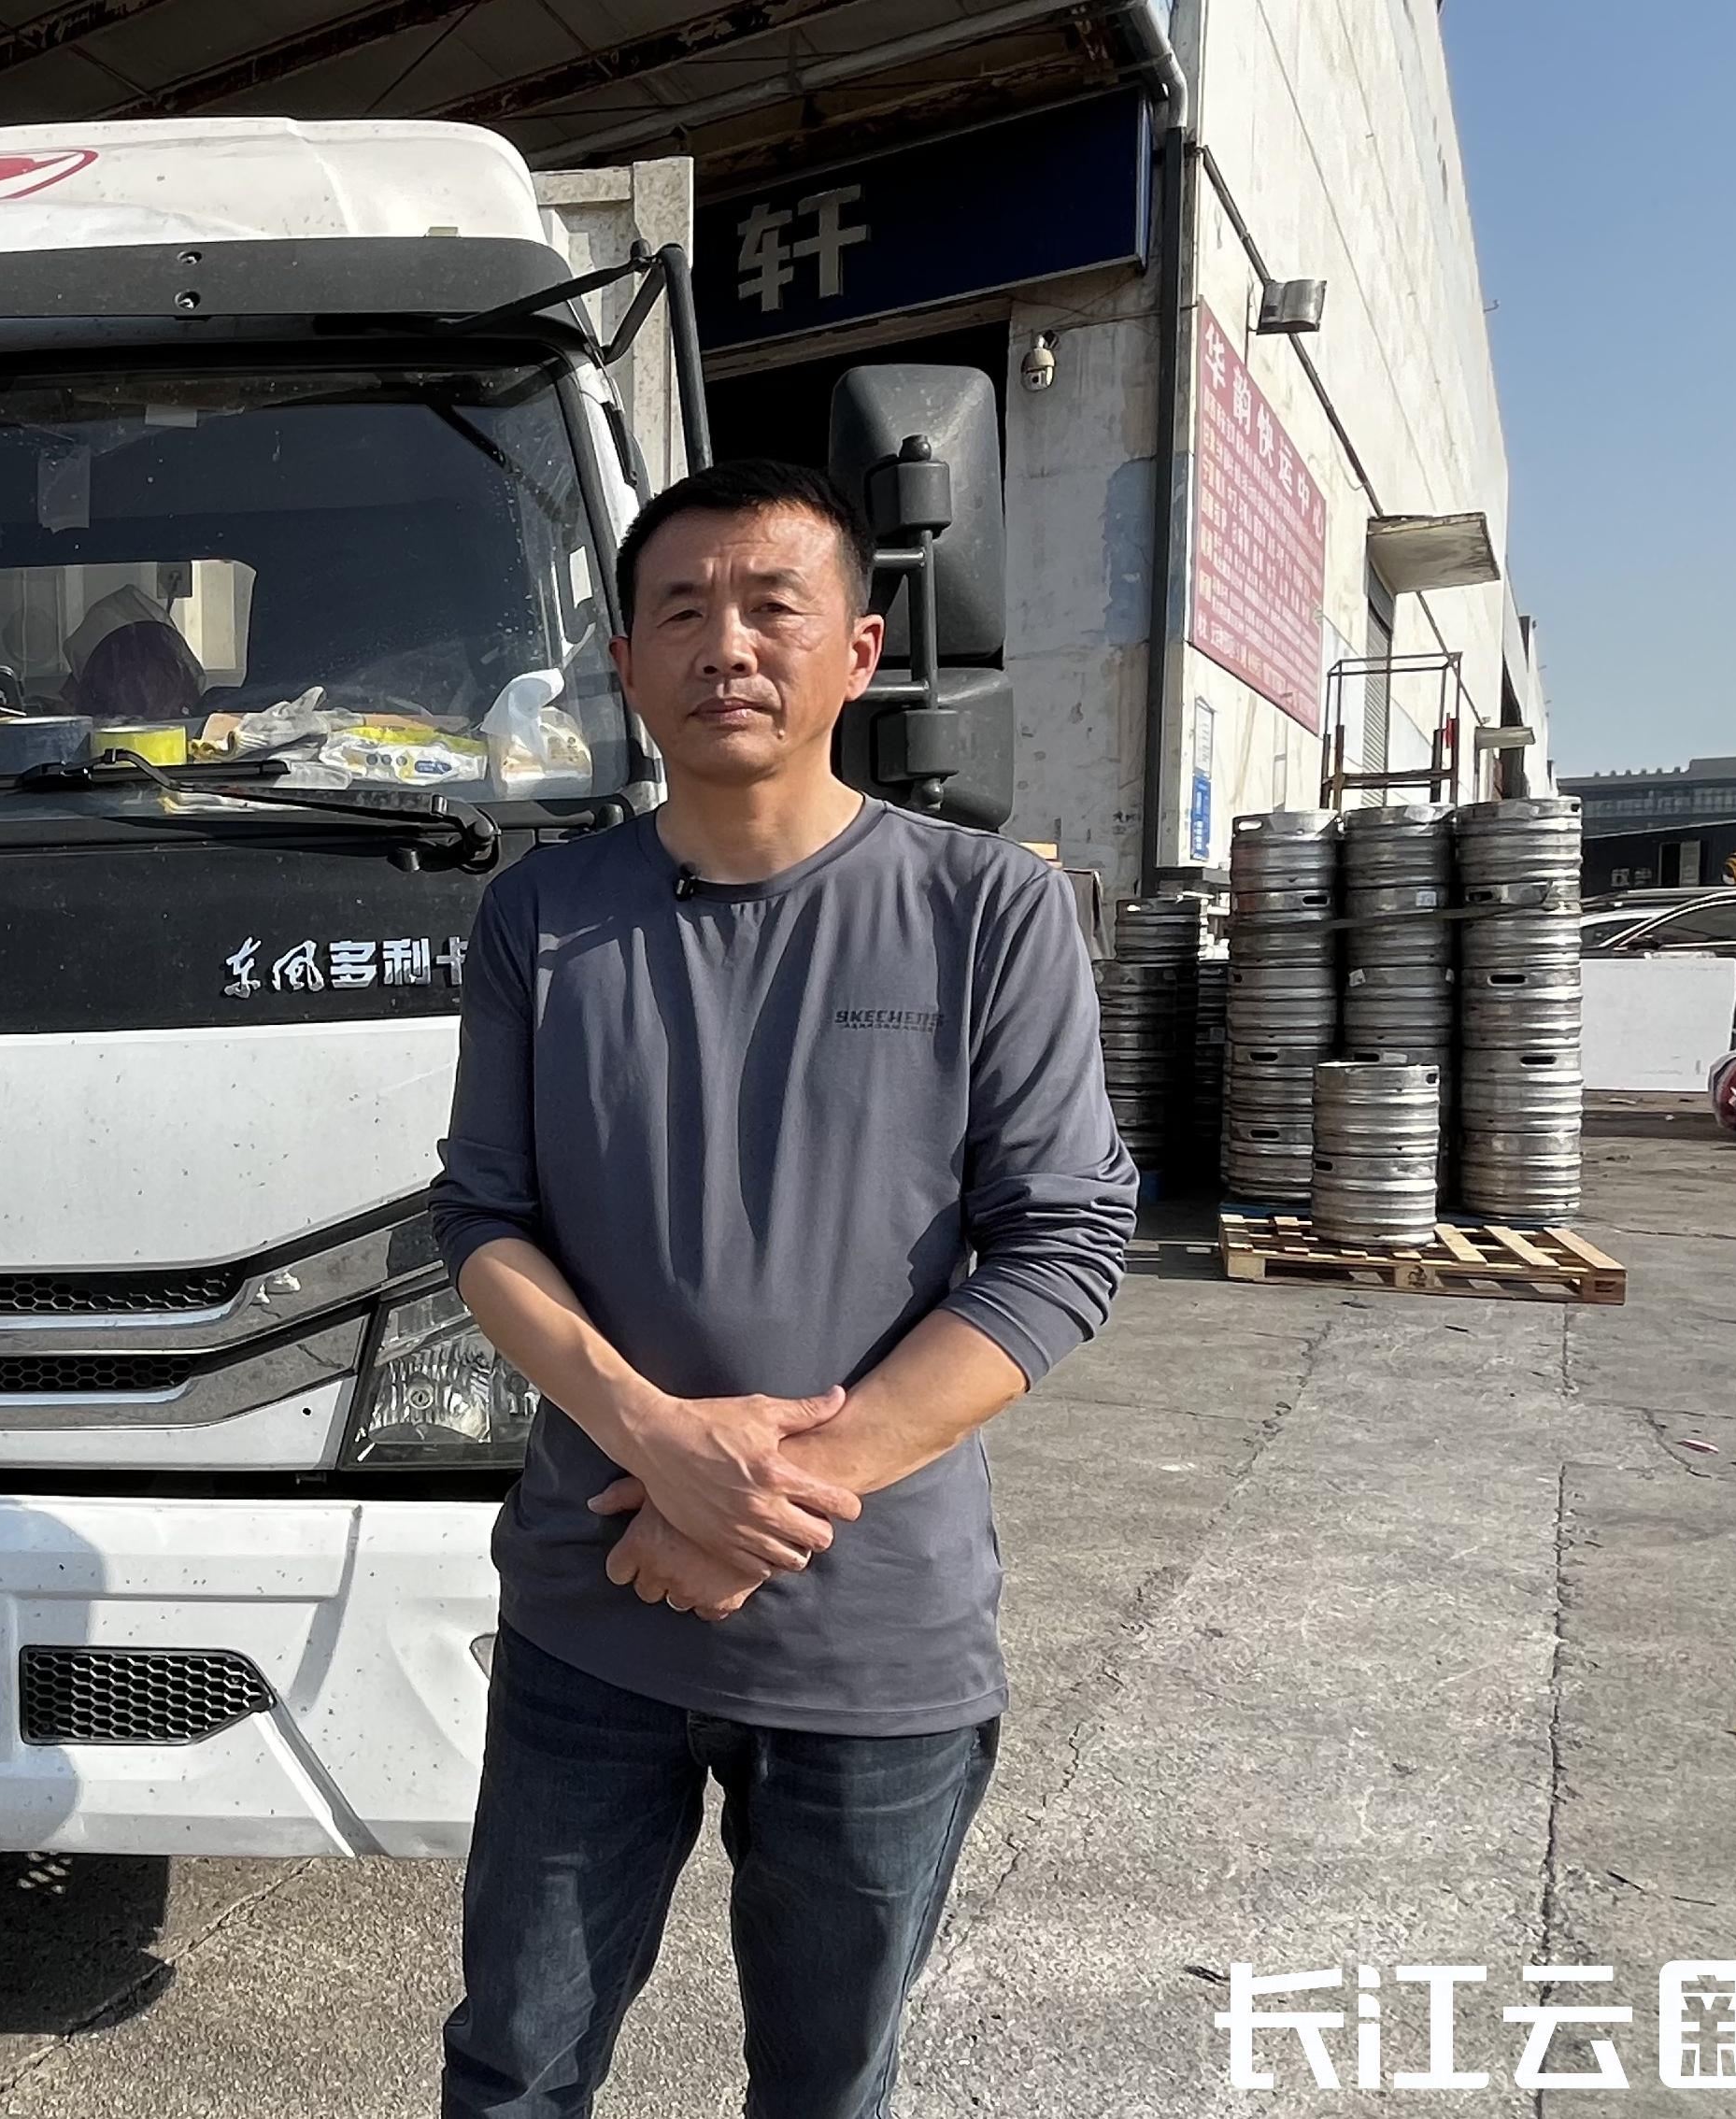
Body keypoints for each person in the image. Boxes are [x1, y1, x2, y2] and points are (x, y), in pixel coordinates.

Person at [432, 459, 1136, 2119]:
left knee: (827, 2085)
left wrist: (754, 1501)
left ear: (862, 651)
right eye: (681, 611)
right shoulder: (541, 918)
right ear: (625, 664)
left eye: (772, 607)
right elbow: (482, 1221)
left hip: (871, 1643)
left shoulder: (988, 909)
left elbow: (1062, 1244)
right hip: (592, 1608)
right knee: (514, 2066)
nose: (726, 646)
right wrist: (654, 1440)